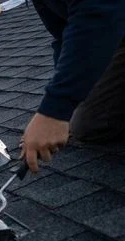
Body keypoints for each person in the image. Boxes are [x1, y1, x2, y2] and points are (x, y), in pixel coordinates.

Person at [20, 0, 125, 174]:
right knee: (86, 122)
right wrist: (54, 115)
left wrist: (54, 112)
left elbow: (99, 13)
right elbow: (63, 36)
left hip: (111, 24)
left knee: (92, 123)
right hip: (112, 34)